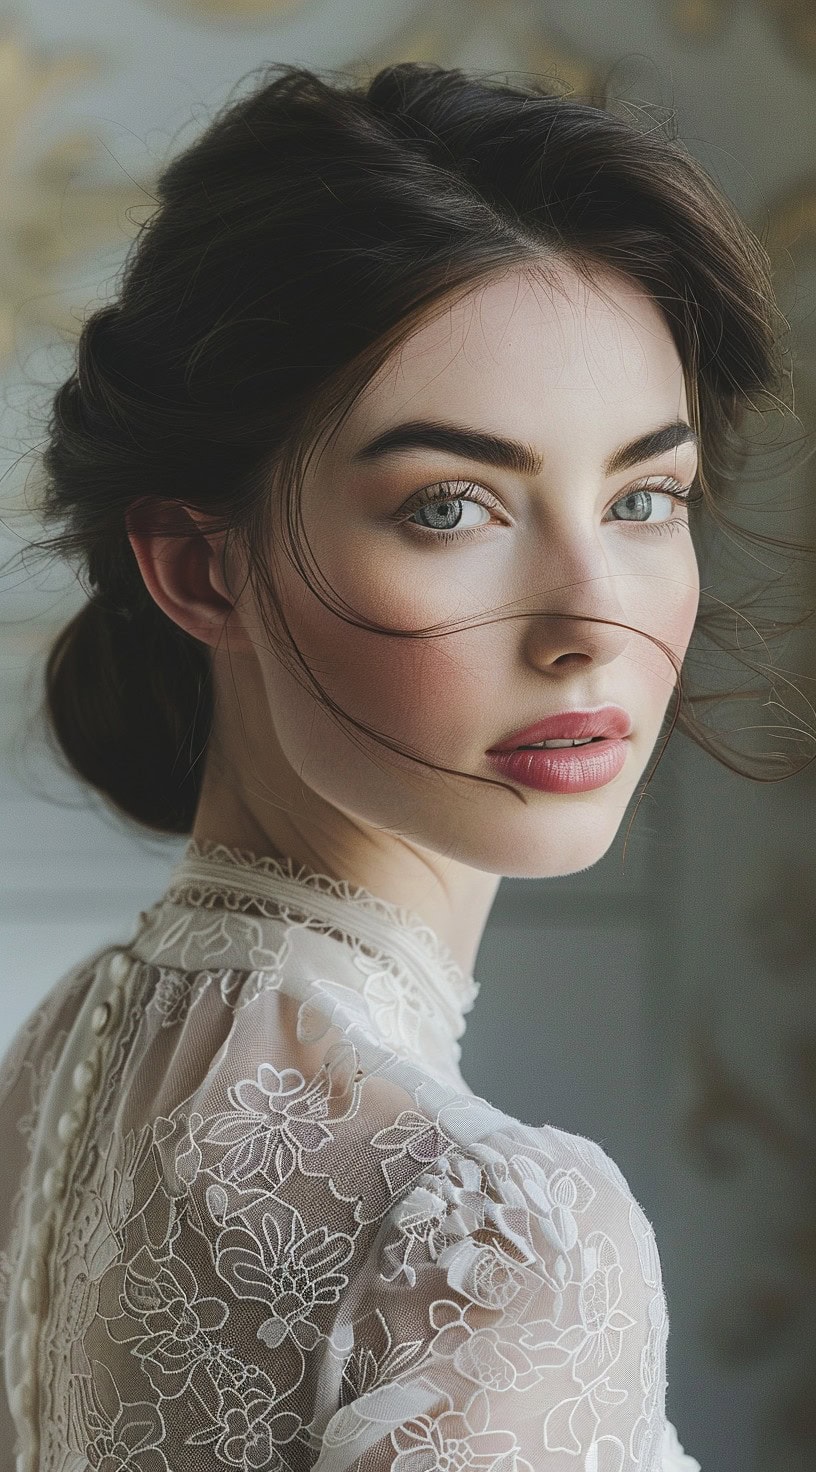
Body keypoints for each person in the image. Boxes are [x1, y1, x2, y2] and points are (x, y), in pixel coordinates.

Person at [1, 56, 802, 1472]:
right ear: (200, 567)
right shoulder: (496, 1232)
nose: (591, 621)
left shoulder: (72, 1055)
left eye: (644, 497)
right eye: (452, 505)